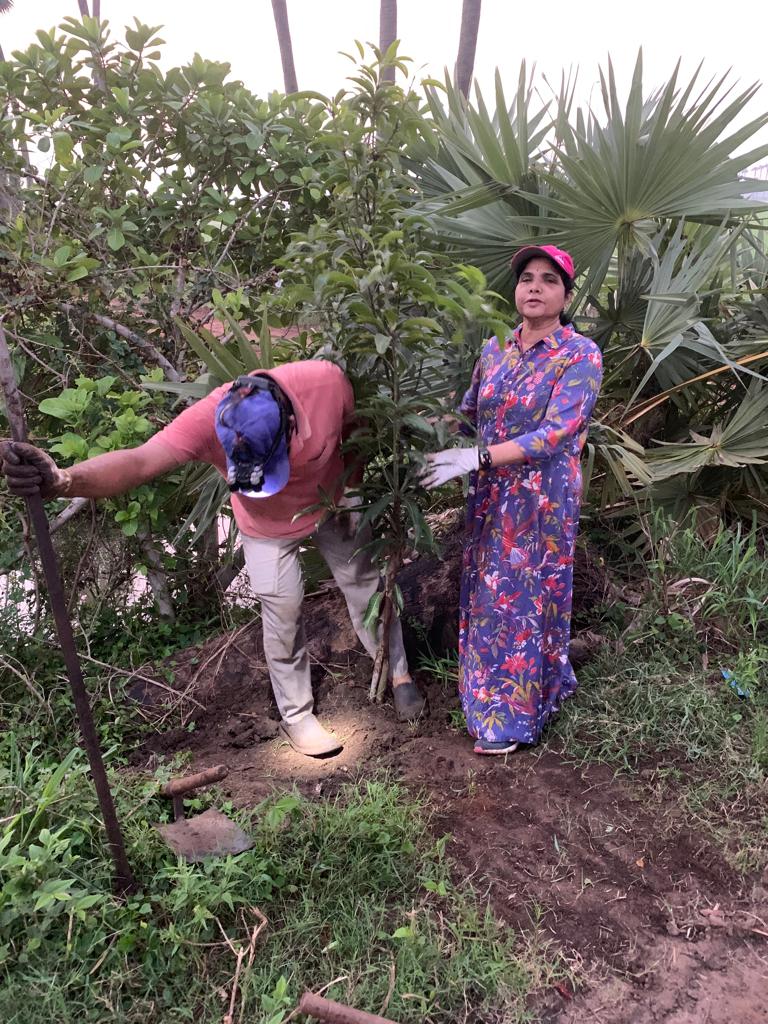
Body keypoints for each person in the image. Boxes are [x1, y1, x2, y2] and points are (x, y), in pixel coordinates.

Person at [0, 359, 426, 757]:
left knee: (366, 585)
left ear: (291, 424)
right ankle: (298, 716)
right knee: (283, 611)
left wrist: (352, 488)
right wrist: (64, 480)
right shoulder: (208, 418)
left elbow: (354, 431)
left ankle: (399, 673)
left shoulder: (325, 384)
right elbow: (139, 461)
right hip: (265, 528)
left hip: (332, 504)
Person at [421, 245, 603, 755]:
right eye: (527, 278)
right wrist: (417, 430)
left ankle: (511, 718)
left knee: (523, 598)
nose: (535, 287)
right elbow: (468, 415)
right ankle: (492, 696)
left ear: (566, 295)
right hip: (490, 495)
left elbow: (557, 433)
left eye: (549, 279)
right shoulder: (495, 347)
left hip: (541, 499)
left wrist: (477, 457)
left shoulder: (580, 354)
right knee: (487, 593)